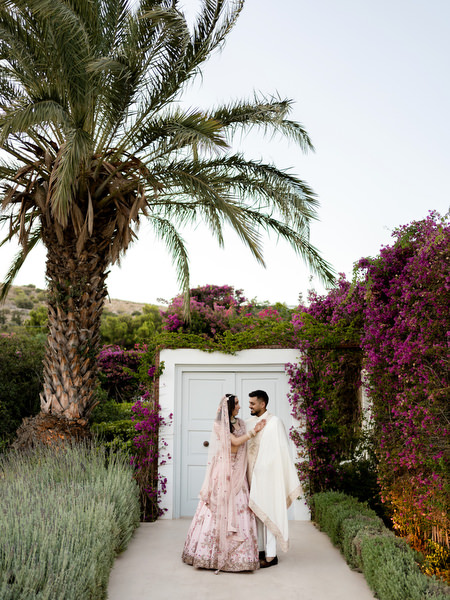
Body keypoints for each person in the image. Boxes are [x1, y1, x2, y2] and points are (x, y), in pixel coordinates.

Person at [182, 394, 266, 573]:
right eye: (236, 404)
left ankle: (240, 557)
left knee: (241, 507)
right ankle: (210, 555)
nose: (240, 406)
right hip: (224, 473)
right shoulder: (219, 425)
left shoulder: (241, 423)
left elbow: (240, 443)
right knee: (217, 509)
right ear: (228, 407)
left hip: (239, 473)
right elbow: (234, 445)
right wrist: (254, 431)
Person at [246, 390, 301, 568]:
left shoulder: (275, 422)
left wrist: (268, 469)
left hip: (269, 477)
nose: (250, 406)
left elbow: (280, 451)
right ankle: (261, 550)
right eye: (249, 403)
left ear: (262, 404)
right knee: (258, 514)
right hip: (252, 476)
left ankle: (271, 556)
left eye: (253, 403)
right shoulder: (249, 423)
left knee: (268, 512)